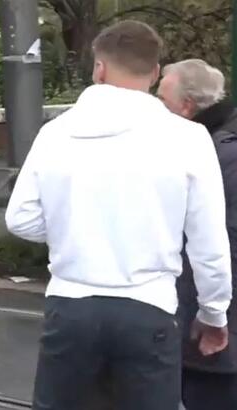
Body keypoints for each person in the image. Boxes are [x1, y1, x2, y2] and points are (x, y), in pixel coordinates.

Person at [5, 20, 232, 410]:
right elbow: (208, 242)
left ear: (99, 68)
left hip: (71, 305)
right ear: (155, 72)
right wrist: (214, 314)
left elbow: (20, 218)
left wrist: (71, 230)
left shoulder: (55, 133)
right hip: (150, 309)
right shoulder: (189, 138)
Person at [157, 59, 237, 410]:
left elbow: (217, 245)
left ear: (185, 107)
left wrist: (210, 316)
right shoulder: (222, 140)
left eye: (161, 99)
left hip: (214, 323)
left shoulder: (216, 153)